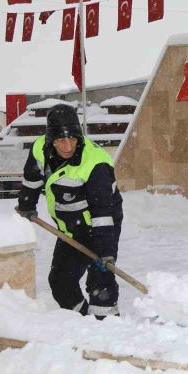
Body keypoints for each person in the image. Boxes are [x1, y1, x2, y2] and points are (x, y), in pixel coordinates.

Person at [17, 103, 123, 318]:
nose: (67, 147)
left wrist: (105, 252)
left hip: (99, 225)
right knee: (60, 281)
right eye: (60, 140)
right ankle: (81, 321)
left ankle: (108, 327)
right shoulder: (40, 149)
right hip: (69, 228)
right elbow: (31, 179)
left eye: (72, 139)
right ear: (50, 140)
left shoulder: (96, 163)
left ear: (79, 138)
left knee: (100, 282)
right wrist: (27, 205)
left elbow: (103, 212)